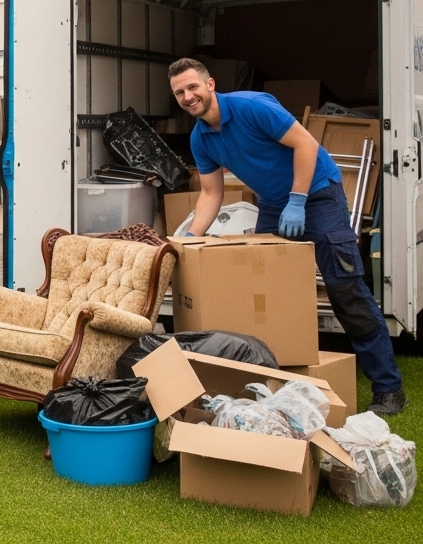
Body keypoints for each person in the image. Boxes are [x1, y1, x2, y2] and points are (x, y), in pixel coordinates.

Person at [168, 58, 406, 414]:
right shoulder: (200, 139)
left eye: (192, 87)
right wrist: (189, 238)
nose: (188, 96)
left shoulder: (252, 107)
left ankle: (388, 389)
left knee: (346, 291)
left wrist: (297, 201)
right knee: (266, 295)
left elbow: (305, 144)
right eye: (179, 93)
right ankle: (276, 384)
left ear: (210, 84)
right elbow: (211, 193)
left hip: (318, 194)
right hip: (273, 203)